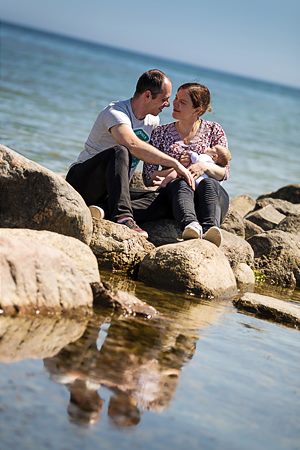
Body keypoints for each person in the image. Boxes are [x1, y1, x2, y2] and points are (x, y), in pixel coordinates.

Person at [65, 69, 194, 238]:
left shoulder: (152, 121)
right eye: (164, 99)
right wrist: (174, 163)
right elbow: (133, 144)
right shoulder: (115, 112)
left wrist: (182, 165)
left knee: (164, 200)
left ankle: (104, 210)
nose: (168, 104)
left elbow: (152, 160)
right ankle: (123, 217)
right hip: (83, 182)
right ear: (147, 95)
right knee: (120, 151)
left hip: (112, 191)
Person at [132, 82, 230, 247]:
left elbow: (224, 172)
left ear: (197, 110)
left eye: (182, 102)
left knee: (209, 183)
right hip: (176, 198)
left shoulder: (214, 130)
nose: (174, 104)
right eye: (176, 98)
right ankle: (191, 226)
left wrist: (203, 166)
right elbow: (148, 178)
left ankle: (210, 229)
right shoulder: (160, 133)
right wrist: (177, 168)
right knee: (180, 184)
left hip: (209, 199)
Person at [155, 144, 232, 188]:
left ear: (214, 156)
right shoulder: (215, 167)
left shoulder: (206, 158)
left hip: (194, 178)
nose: (208, 147)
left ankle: (164, 182)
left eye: (212, 148)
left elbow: (196, 158)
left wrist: (190, 153)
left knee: (177, 171)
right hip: (201, 184)